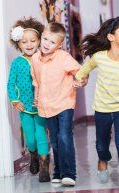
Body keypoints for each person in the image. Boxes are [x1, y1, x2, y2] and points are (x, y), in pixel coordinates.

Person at [75, 17, 119, 193]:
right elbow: (83, 70)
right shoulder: (99, 57)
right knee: (102, 144)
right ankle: (102, 160)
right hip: (102, 107)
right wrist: (80, 80)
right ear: (111, 37)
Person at [31, 22, 85, 186]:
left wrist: (80, 81)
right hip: (46, 105)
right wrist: (36, 96)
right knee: (54, 139)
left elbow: (80, 73)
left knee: (64, 136)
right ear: (41, 37)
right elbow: (36, 81)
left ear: (59, 44)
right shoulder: (35, 58)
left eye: (52, 42)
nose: (47, 44)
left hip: (64, 103)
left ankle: (69, 173)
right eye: (45, 39)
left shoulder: (64, 58)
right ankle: (58, 171)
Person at [7, 17, 50, 182]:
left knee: (41, 136)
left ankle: (44, 167)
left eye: (33, 40)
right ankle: (33, 154)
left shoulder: (43, 59)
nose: (29, 44)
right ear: (18, 44)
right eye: (24, 41)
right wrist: (15, 100)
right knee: (31, 139)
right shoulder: (17, 63)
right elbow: (11, 83)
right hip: (24, 107)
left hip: (41, 106)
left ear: (39, 41)